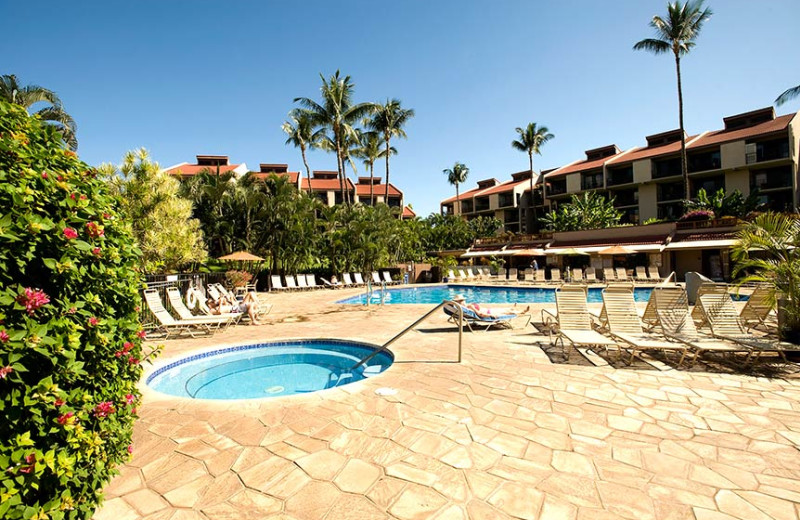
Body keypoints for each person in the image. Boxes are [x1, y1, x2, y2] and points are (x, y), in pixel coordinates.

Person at [452, 294, 530, 317]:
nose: (464, 301)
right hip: (489, 312)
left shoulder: (465, 307)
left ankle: (514, 308)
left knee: (506, 310)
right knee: (507, 312)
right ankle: (522, 312)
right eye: (462, 300)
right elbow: (480, 314)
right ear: (460, 302)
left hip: (488, 310)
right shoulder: (469, 306)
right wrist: (491, 315)